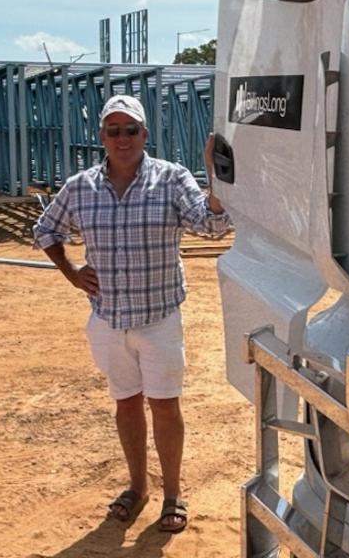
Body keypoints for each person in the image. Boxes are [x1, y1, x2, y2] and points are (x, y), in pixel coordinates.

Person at [33, 94, 231, 534]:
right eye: (113, 131)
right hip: (107, 319)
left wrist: (215, 176)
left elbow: (211, 226)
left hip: (159, 318)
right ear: (102, 137)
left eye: (130, 130)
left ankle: (174, 495)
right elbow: (44, 228)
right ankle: (138, 487)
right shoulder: (82, 187)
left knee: (164, 405)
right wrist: (70, 271)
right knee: (125, 405)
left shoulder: (171, 179)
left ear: (144, 134)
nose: (122, 139)